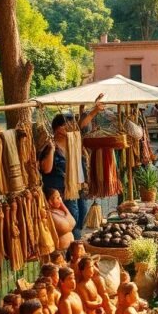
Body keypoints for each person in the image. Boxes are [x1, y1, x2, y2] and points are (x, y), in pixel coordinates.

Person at [40, 101, 104, 240]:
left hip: (77, 187)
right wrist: (51, 150)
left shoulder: (73, 142)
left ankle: (77, 243)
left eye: (71, 125)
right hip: (62, 191)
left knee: (81, 214)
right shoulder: (50, 146)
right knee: (72, 218)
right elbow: (46, 169)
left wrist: (95, 111)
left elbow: (81, 125)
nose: (70, 128)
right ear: (57, 129)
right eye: (66, 125)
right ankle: (73, 248)